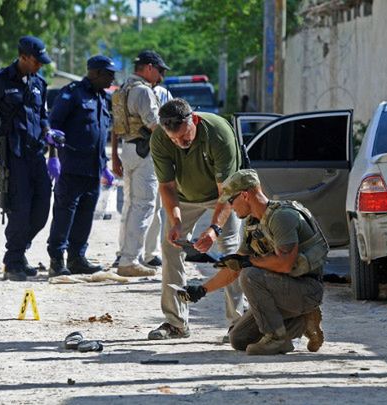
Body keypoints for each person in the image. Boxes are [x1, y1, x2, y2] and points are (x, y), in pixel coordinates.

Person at [178, 169, 328, 355]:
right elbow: (235, 268)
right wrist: (201, 290)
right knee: (239, 339)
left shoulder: (282, 217)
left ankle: (277, 338)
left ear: (245, 195)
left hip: (306, 290)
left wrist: (248, 262)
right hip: (282, 290)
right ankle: (303, 321)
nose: (231, 207)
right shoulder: (253, 224)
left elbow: (285, 264)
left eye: (232, 201)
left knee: (250, 275)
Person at [147, 98, 244, 340]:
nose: (180, 144)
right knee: (170, 248)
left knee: (231, 252)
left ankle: (238, 323)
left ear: (195, 121)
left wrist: (213, 230)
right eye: (174, 140)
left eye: (185, 138)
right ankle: (176, 323)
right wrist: (176, 221)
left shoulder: (219, 134)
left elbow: (227, 193)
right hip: (184, 196)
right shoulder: (159, 138)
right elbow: (167, 186)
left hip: (222, 194)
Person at [0, 36, 64, 281]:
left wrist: (50, 140)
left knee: (42, 208)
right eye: (37, 61)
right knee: (20, 208)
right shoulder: (0, 80)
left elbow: (43, 115)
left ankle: (18, 251)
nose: (40, 66)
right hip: (13, 155)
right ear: (24, 57)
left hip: (36, 153)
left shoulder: (39, 83)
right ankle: (13, 259)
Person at [45, 55, 117, 277]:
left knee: (85, 215)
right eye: (108, 74)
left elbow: (100, 134)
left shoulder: (102, 99)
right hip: (72, 167)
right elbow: (53, 125)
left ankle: (77, 258)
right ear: (94, 72)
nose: (112, 78)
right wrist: (53, 156)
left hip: (93, 169)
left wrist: (105, 165)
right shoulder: (72, 93)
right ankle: (57, 260)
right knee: (64, 214)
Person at [110, 50, 169, 277]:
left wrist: (115, 155)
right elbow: (154, 125)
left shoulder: (124, 89)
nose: (160, 77)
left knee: (131, 205)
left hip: (129, 149)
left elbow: (116, 126)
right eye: (159, 71)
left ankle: (125, 254)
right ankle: (130, 260)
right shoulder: (143, 91)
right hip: (145, 152)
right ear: (149, 67)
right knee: (144, 206)